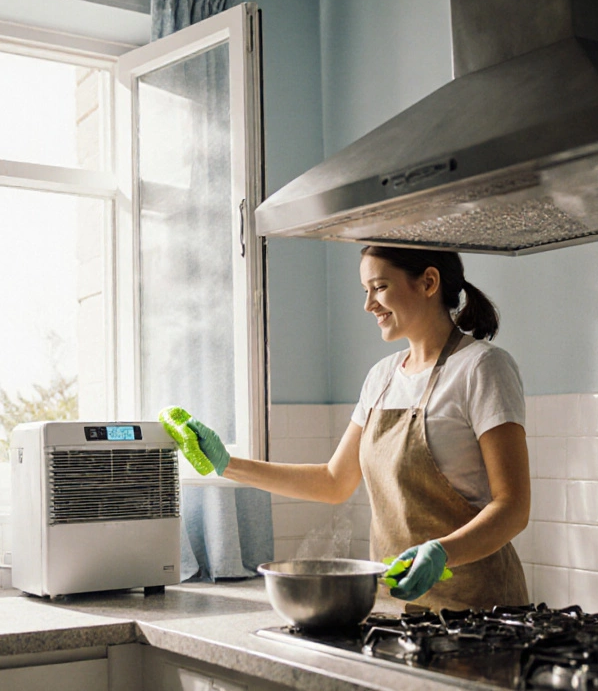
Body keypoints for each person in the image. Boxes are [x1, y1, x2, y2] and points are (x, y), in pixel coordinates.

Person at [180, 245, 530, 611]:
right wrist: (228, 464)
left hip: (480, 613)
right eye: (366, 291)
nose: (369, 305)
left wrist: (443, 552)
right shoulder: (381, 377)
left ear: (428, 282)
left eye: (379, 287)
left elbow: (513, 507)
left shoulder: (483, 368)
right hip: (397, 611)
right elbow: (333, 482)